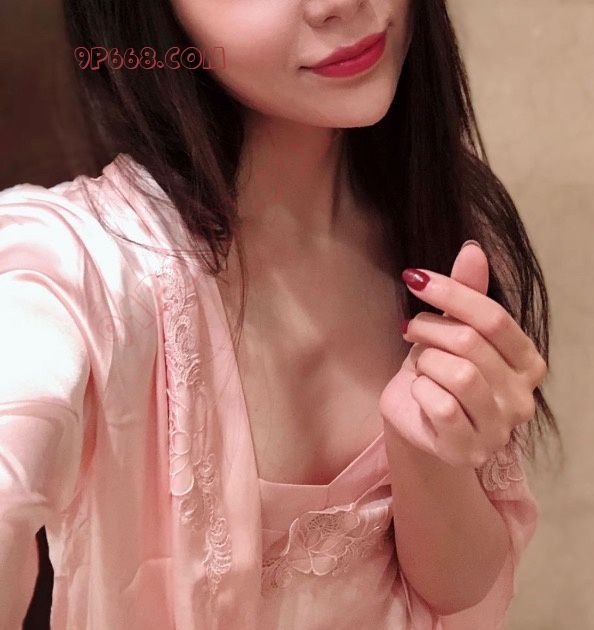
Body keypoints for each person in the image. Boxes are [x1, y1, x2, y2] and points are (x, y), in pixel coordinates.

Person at [0, 1, 559, 628]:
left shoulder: (444, 225)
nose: (338, 4)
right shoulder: (77, 266)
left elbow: (456, 591)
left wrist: (429, 452)